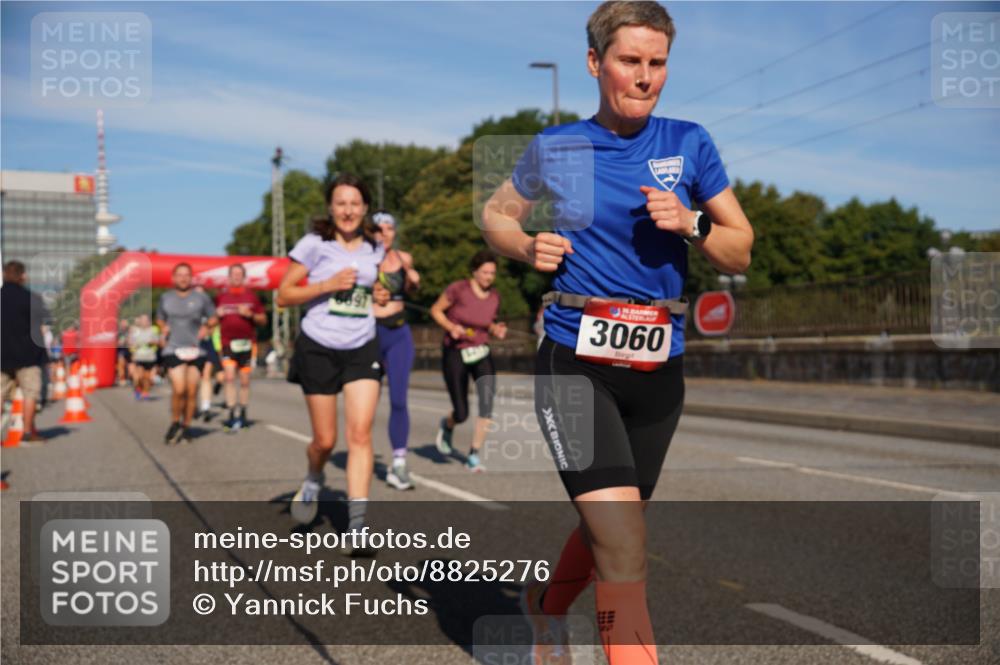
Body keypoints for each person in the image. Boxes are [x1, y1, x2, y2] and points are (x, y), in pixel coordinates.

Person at [481, 3, 754, 663]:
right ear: (595, 62)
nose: (645, 77)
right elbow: (495, 213)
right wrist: (525, 245)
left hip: (658, 367)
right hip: (576, 357)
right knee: (624, 541)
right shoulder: (560, 146)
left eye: (657, 63)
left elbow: (741, 248)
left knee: (615, 525)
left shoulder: (688, 142)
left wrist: (692, 224)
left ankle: (543, 605)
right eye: (630, 61)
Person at [277, 174, 390, 542]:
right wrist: (326, 285)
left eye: (355, 203)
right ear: (331, 207)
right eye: (341, 203)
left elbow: (378, 289)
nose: (348, 210)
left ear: (365, 208)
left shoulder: (376, 247)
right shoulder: (314, 244)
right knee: (325, 441)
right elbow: (284, 295)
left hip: (361, 345)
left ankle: (357, 526)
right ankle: (313, 479)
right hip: (319, 345)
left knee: (360, 434)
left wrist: (380, 296)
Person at [429, 249, 507, 473]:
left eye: (492, 273)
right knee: (461, 412)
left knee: (486, 403)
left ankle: (473, 454)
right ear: (474, 272)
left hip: (481, 352)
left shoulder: (495, 297)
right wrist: (451, 327)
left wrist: (496, 329)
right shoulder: (458, 289)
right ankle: (448, 424)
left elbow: (488, 324)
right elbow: (435, 310)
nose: (489, 277)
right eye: (485, 272)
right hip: (455, 352)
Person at [372, 211, 420, 490]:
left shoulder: (404, 258)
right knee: (366, 404)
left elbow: (413, 290)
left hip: (399, 332)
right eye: (379, 228)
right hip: (369, 333)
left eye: (389, 228)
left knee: (399, 400)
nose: (384, 233)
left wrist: (414, 282)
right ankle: (361, 455)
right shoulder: (363, 258)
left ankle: (399, 463)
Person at [156, 263, 218, 443]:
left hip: (196, 349)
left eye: (186, 275)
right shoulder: (165, 297)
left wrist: (207, 326)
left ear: (191, 278)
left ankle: (186, 426)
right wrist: (163, 326)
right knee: (179, 388)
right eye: (179, 275)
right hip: (173, 348)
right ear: (173, 278)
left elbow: (213, 317)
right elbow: (160, 318)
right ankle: (175, 421)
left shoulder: (201, 298)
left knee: (191, 391)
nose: (183, 278)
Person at [1, 261, 51, 443]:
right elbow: (44, 326)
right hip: (28, 355)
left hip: (2, 356)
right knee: (30, 393)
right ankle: (28, 433)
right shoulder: (32, 298)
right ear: (23, 276)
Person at [215, 263, 266, 432]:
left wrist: (250, 314)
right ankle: (231, 414)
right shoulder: (221, 297)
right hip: (228, 342)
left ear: (243, 277)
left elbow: (263, 320)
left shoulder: (251, 297)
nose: (236, 277)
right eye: (233, 274)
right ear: (229, 277)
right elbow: (210, 321)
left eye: (239, 274)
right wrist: (217, 315)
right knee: (229, 377)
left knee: (244, 380)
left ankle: (243, 413)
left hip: (247, 343)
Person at [128, 314, 160, 400]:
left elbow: (158, 342)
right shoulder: (135, 330)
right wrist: (133, 352)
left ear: (149, 321)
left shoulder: (153, 329)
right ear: (140, 321)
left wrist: (152, 342)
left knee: (148, 378)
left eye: (146, 320)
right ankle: (138, 389)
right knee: (140, 377)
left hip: (151, 357)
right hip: (139, 357)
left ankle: (145, 392)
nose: (144, 322)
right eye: (142, 320)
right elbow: (130, 343)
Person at [115, 318, 132, 386]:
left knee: (130, 366)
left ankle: (129, 378)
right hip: (121, 350)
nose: (124, 324)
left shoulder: (130, 331)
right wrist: (119, 343)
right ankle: (122, 379)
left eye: (125, 323)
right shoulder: (118, 332)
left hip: (129, 350)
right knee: (121, 363)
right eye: (123, 323)